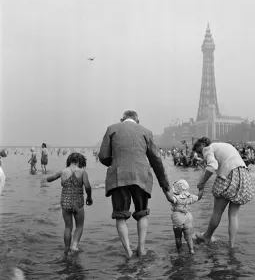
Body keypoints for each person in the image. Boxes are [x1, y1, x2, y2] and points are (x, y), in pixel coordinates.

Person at [98, 110, 171, 259]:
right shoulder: (146, 132)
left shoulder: (112, 129)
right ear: (137, 120)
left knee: (120, 216)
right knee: (142, 212)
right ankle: (141, 249)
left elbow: (103, 156)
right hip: (141, 177)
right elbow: (156, 160)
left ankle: (128, 253)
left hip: (118, 177)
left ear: (122, 119)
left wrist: (115, 162)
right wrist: (165, 186)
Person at [192, 137, 255, 248]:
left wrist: (201, 182)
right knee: (233, 215)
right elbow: (224, 158)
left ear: (202, 145)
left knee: (217, 212)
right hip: (243, 175)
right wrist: (205, 161)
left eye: (199, 152)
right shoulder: (223, 145)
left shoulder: (207, 148)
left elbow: (212, 166)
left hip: (228, 175)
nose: (200, 154)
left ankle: (207, 236)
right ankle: (231, 246)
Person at [44, 152, 93, 254]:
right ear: (79, 161)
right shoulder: (82, 172)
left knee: (68, 227)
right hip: (78, 203)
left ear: (69, 161)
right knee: (79, 226)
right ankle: (74, 246)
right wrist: (89, 197)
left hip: (65, 203)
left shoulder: (62, 171)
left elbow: (49, 179)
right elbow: (87, 187)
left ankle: (67, 249)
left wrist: (45, 176)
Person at [164, 179, 203, 254]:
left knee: (178, 236)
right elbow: (199, 197)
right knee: (188, 236)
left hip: (178, 217)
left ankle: (179, 251)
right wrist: (201, 188)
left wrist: (165, 191)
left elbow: (170, 199)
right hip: (188, 216)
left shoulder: (177, 197)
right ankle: (191, 250)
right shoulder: (190, 197)